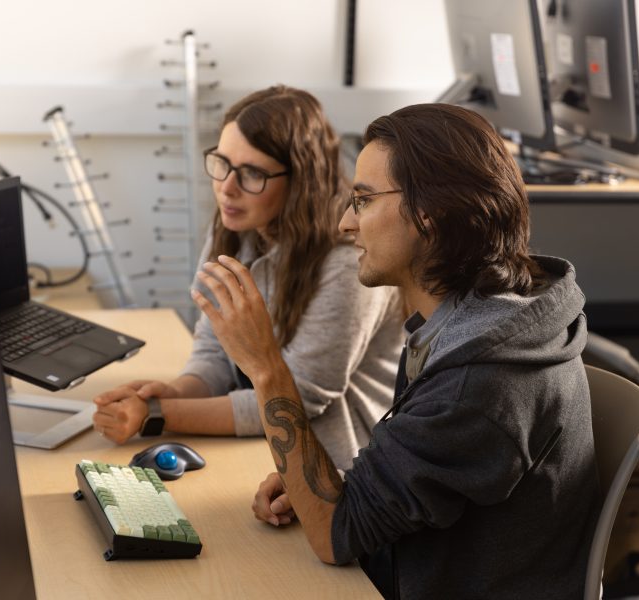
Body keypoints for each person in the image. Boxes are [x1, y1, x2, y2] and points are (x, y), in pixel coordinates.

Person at [191, 103, 601, 598]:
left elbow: (334, 535)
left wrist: (264, 367)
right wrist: (341, 483)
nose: (345, 223)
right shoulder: (470, 324)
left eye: (363, 201)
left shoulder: (477, 381)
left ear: (431, 215)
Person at [92, 85, 405, 471]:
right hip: (264, 447)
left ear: (301, 180)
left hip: (336, 465)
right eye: (221, 163)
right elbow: (214, 351)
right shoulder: (238, 226)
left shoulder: (345, 260)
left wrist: (158, 414)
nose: (226, 187)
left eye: (253, 173)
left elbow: (298, 400)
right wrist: (175, 392)